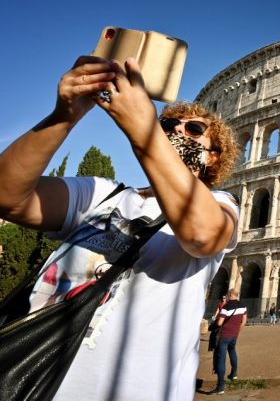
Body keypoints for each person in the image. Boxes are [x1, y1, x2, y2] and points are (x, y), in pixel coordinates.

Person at [0, 56, 240, 400]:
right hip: (33, 381)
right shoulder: (101, 193)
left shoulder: (221, 203)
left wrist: (145, 132)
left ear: (214, 156)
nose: (176, 131)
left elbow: (202, 233)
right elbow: (7, 197)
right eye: (168, 124)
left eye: (194, 129)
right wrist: (64, 115)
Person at [211, 288, 247, 395]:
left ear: (230, 295)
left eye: (227, 295)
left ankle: (220, 386)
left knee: (221, 359)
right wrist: (237, 331)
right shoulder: (243, 305)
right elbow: (244, 321)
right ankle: (234, 374)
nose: (226, 296)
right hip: (234, 335)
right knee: (232, 352)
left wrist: (216, 322)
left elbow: (219, 323)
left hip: (224, 335)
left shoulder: (226, 307)